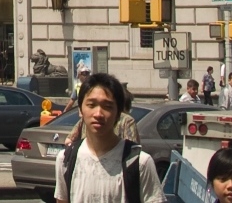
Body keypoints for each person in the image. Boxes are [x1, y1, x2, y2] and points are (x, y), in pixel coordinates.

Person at [53, 72, 164, 203]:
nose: (98, 114)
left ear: (118, 113)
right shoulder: (65, 160)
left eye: (107, 106)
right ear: (80, 110)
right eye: (91, 105)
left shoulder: (139, 162)